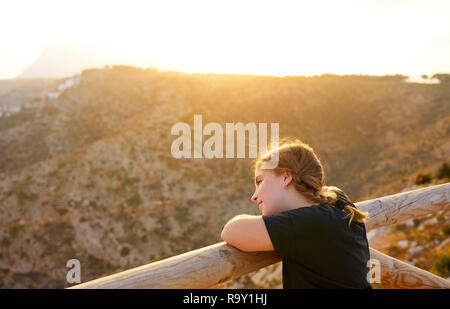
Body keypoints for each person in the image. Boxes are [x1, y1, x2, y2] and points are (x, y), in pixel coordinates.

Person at [221, 138, 372, 288]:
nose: (254, 196)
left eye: (260, 181)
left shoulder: (307, 223)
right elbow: (329, 189)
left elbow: (231, 230)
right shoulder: (338, 205)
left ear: (286, 177)